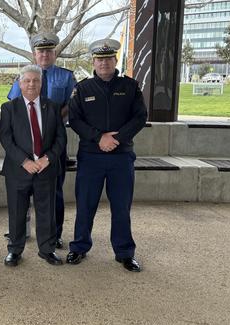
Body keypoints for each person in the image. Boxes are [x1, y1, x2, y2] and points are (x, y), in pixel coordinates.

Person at [67, 39, 148, 272]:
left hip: (121, 157)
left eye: (108, 59)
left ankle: (124, 253)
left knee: (121, 206)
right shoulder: (82, 89)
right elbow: (75, 120)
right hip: (91, 157)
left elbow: (140, 117)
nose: (104, 63)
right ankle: (79, 247)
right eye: (99, 59)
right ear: (93, 61)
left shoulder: (130, 86)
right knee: (85, 204)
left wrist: (117, 138)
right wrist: (98, 137)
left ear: (115, 61)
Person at [6, 32, 76, 249]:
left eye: (48, 50)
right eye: (40, 51)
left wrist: (53, 118)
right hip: (25, 148)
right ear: (35, 53)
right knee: (21, 195)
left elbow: (72, 105)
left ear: (54, 52)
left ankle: (54, 236)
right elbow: (15, 105)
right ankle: (20, 235)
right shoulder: (25, 76)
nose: (44, 54)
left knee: (54, 193)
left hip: (52, 145)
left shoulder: (65, 77)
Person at [0, 65, 67, 267]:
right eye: (27, 81)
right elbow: (6, 138)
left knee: (47, 212)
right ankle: (15, 250)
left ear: (41, 83)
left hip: (46, 168)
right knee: (17, 211)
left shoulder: (52, 107)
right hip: (19, 170)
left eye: (35, 81)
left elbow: (60, 139)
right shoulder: (9, 108)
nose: (31, 84)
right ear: (20, 84)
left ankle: (47, 249)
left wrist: (48, 159)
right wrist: (25, 161)